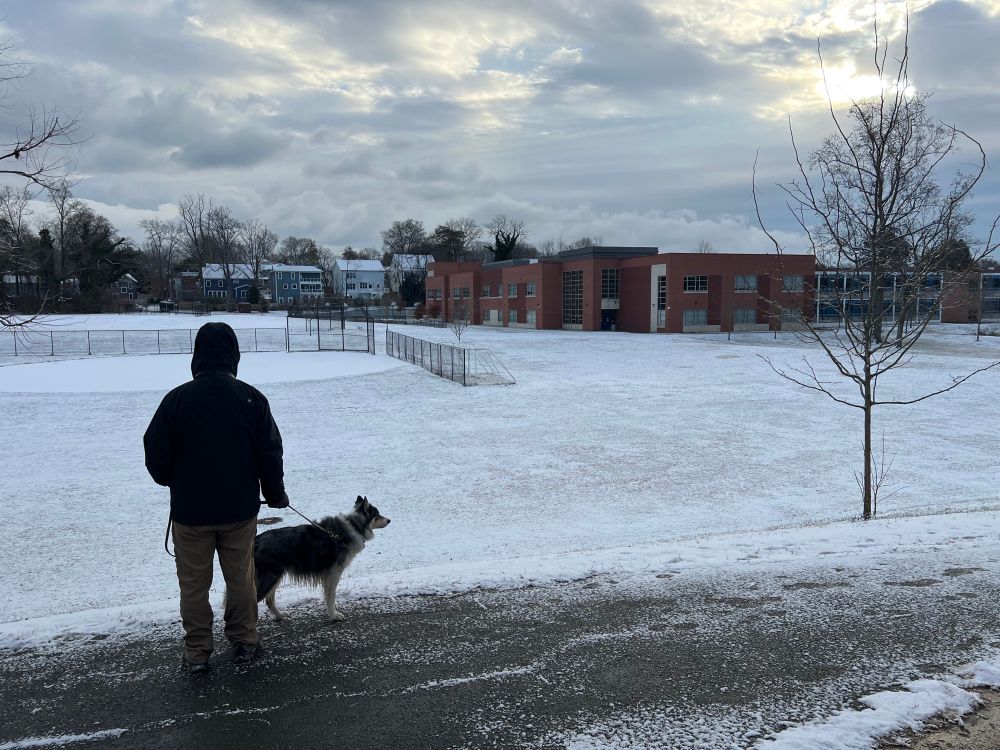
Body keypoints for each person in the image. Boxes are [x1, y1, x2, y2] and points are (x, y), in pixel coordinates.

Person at [143, 322, 288, 673]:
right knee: (241, 578)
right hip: (238, 511)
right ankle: (244, 642)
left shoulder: (176, 400)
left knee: (194, 586)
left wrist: (172, 480)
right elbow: (269, 450)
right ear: (233, 357)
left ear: (197, 357)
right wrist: (275, 494)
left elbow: (155, 453)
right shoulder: (250, 398)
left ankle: (197, 653)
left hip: (190, 514)